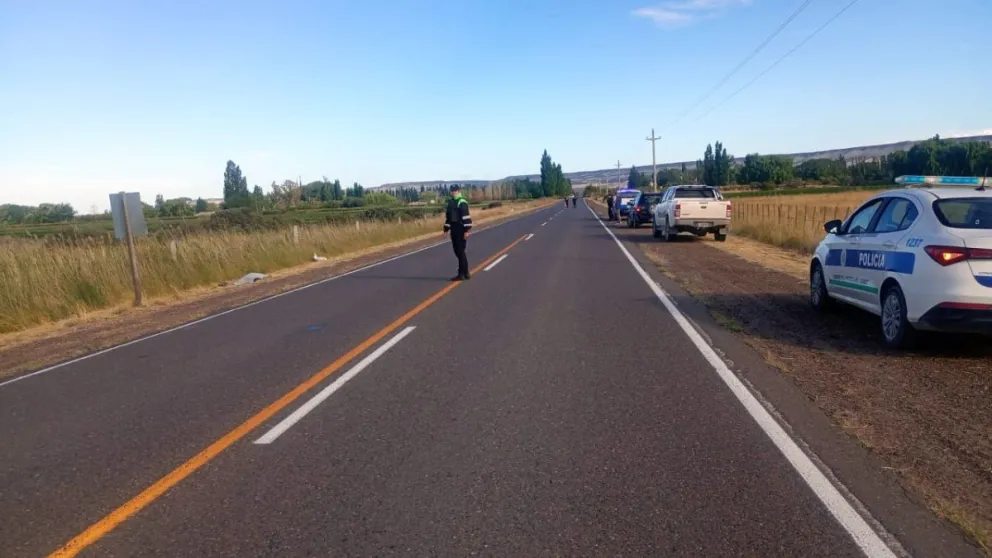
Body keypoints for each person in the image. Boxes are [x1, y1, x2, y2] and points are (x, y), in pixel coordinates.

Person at [443, 185, 473, 281]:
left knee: (460, 251)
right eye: (452, 191)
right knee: (458, 252)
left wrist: (466, 230)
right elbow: (449, 218)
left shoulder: (462, 202)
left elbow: (466, 217)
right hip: (454, 229)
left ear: (458, 191)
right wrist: (446, 230)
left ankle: (461, 273)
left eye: (455, 190)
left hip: (461, 229)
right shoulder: (450, 203)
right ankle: (466, 272)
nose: (453, 192)